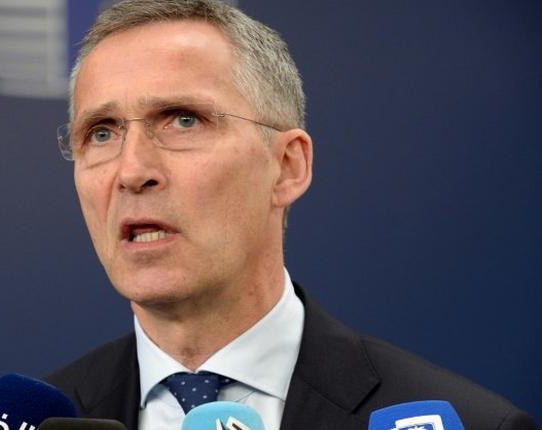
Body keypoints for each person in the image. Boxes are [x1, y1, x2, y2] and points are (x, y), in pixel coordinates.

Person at [45, 1, 538, 428]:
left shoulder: (469, 422)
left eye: (183, 120)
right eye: (102, 132)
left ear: (286, 167)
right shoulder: (47, 419)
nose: (132, 171)